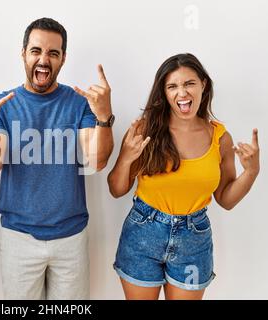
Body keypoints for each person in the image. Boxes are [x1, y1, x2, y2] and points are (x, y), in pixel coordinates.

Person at [0, 17, 114, 299]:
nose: (44, 60)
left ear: (63, 59)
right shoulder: (3, 105)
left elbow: (96, 161)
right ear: (23, 53)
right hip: (18, 238)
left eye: (53, 53)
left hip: (71, 237)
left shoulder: (79, 103)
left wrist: (104, 118)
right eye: (36, 51)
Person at [108, 53, 260, 300]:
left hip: (194, 239)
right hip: (143, 234)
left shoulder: (220, 138)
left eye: (189, 83)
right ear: (164, 93)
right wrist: (126, 157)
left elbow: (226, 199)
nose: (182, 93)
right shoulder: (145, 130)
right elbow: (116, 189)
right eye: (172, 86)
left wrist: (252, 172)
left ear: (203, 84)